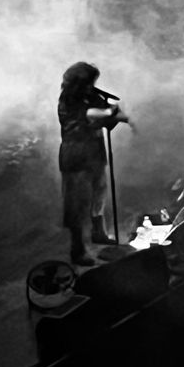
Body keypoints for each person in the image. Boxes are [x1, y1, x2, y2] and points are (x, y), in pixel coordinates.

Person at [58, 61, 130, 266]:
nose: (92, 86)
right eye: (89, 82)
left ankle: (99, 232)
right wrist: (109, 113)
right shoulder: (68, 99)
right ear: (78, 83)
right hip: (75, 153)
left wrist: (126, 118)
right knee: (77, 203)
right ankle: (77, 249)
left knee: (100, 191)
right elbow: (90, 114)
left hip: (94, 150)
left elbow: (109, 113)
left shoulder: (92, 96)